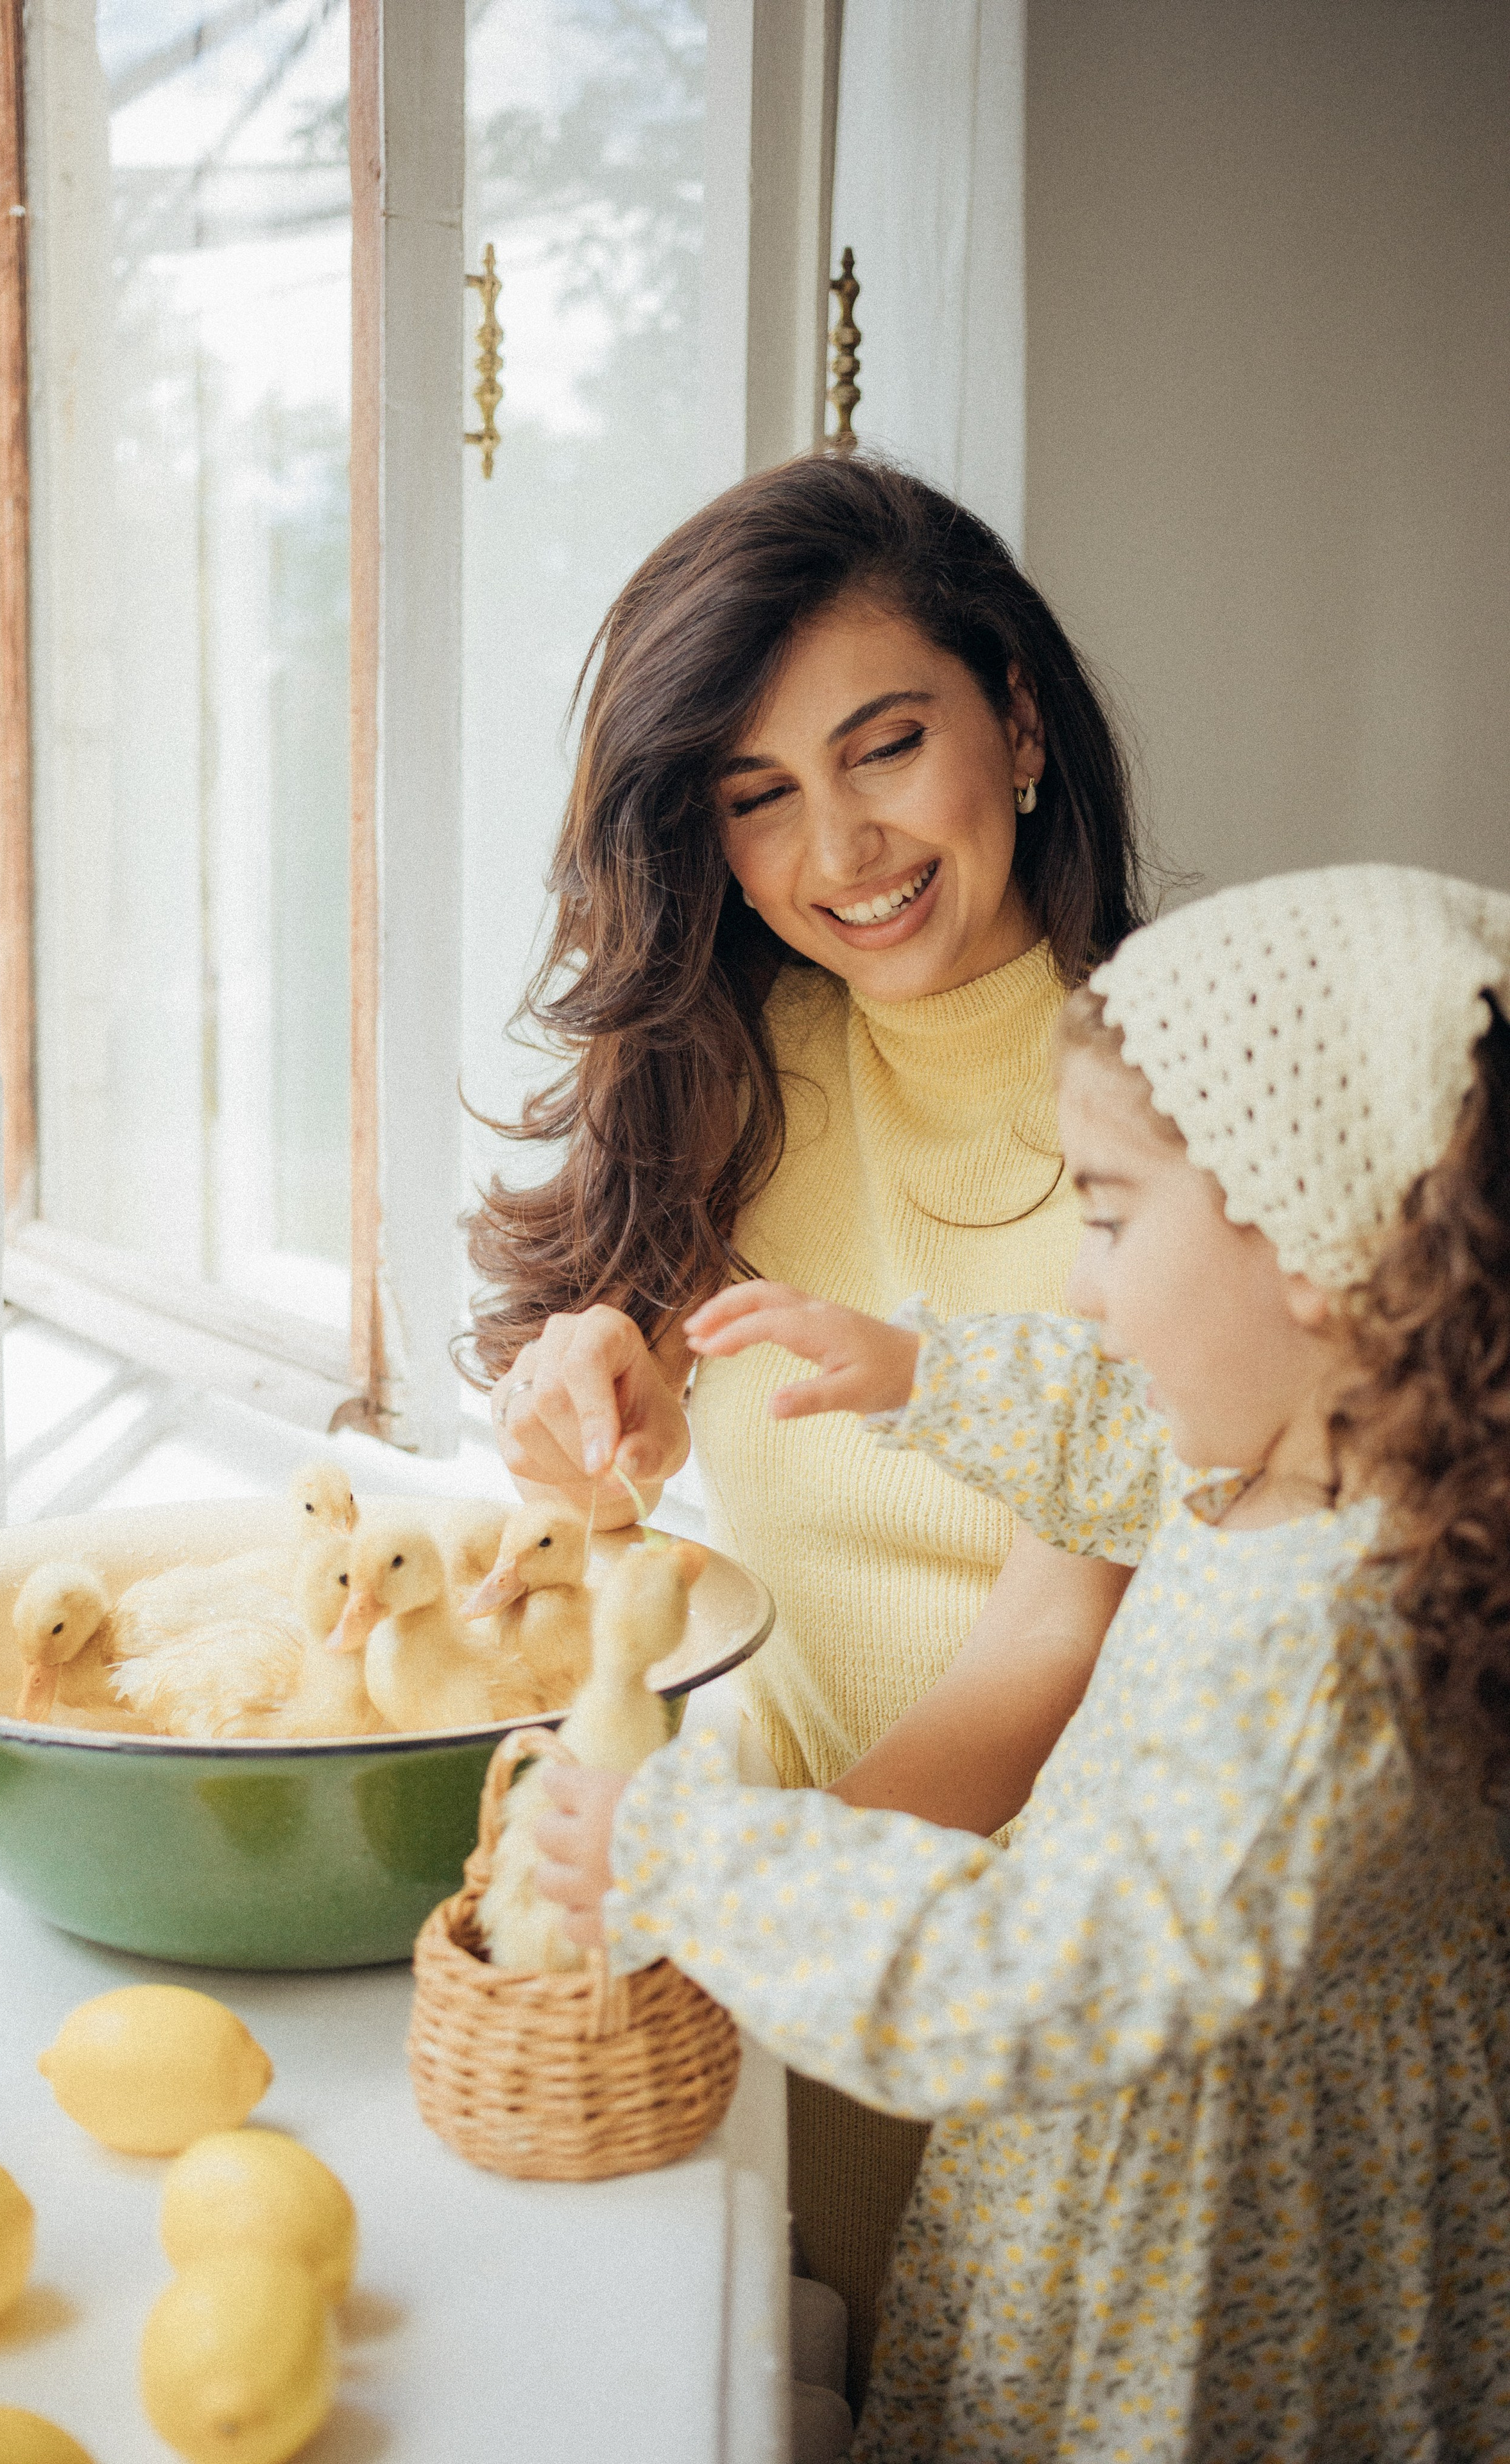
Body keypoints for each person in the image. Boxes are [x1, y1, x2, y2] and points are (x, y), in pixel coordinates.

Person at [532, 866, 1510, 2460]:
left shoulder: (1331, 1668)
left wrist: (685, 1861)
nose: (1078, 1277)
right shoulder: (1329, 1459)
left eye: (1111, 1219)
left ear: (1322, 1254)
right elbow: (1116, 1429)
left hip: (1206, 2251)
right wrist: (915, 1369)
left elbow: (1032, 1972)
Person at [464, 456, 1147, 2377]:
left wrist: (743, 1920)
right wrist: (591, 1388)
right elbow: (665, 1459)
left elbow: (1052, 1647)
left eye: (885, 746)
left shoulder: (1166, 1108)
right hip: (765, 1887)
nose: (839, 848)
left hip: (988, 1978)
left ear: (1016, 722)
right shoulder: (753, 1052)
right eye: (758, 797)